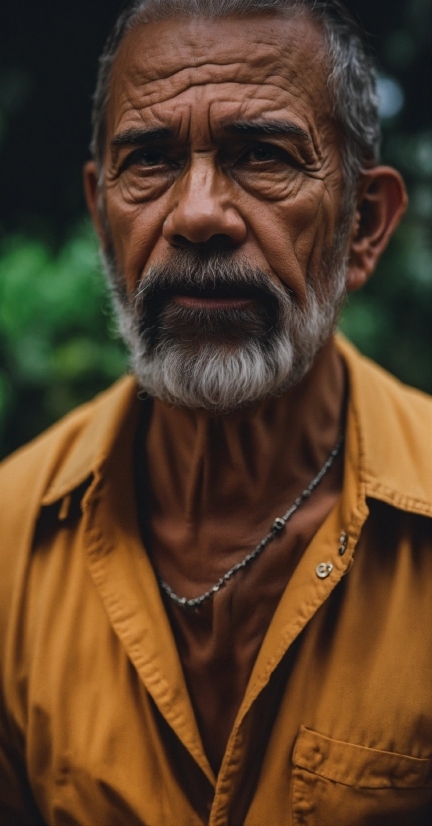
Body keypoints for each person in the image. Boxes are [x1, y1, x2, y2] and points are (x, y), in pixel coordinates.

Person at [0, 0, 431, 823]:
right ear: (101, 219)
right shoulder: (10, 538)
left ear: (365, 226)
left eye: (263, 155)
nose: (197, 214)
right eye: (151, 160)